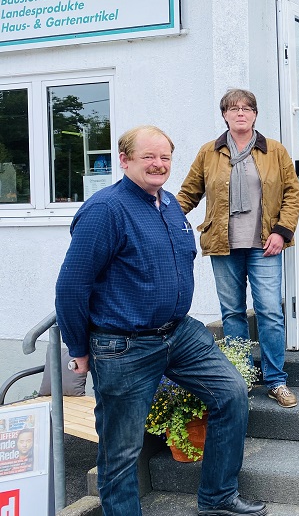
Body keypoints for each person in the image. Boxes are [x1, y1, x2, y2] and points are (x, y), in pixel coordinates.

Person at [56, 126, 266, 516]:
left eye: (165, 157)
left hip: (179, 332)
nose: (158, 164)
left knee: (231, 394)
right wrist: (79, 350)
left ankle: (218, 499)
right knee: (121, 449)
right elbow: (71, 286)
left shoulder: (168, 203)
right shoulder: (105, 210)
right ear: (125, 160)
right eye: (148, 157)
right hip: (123, 345)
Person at [178, 89, 299, 409]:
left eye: (247, 108)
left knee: (270, 312)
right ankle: (242, 377)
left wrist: (282, 231)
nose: (240, 113)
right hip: (223, 243)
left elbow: (292, 193)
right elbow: (188, 194)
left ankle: (276, 380)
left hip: (265, 244)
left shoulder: (274, 151)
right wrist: (158, 217)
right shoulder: (209, 152)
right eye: (233, 109)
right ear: (224, 115)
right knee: (232, 314)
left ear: (256, 114)